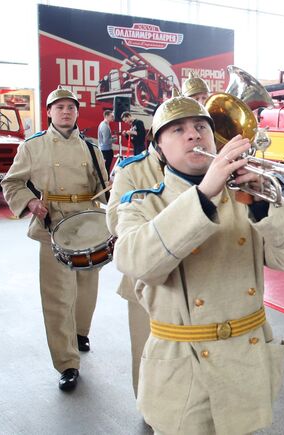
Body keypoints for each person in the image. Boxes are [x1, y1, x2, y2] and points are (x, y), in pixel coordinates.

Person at [114, 95, 284, 433]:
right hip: (184, 370)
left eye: (200, 127)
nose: (193, 135)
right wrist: (205, 193)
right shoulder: (141, 203)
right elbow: (139, 263)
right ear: (159, 149)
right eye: (178, 130)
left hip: (245, 362)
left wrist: (264, 206)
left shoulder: (247, 196)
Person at [1, 88, 109, 392]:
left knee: (87, 287)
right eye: (59, 107)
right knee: (58, 296)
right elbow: (12, 182)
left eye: (71, 107)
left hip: (87, 223)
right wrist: (31, 204)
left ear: (76, 112)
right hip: (53, 224)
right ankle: (67, 363)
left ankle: (79, 333)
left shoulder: (91, 148)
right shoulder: (32, 147)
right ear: (49, 112)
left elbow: (105, 187)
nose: (65, 112)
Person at [106, 139, 164, 399]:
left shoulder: (206, 166)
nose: (192, 135)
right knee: (146, 350)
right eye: (178, 128)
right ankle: (148, 406)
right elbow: (114, 221)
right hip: (145, 279)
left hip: (195, 276)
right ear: (158, 137)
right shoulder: (131, 170)